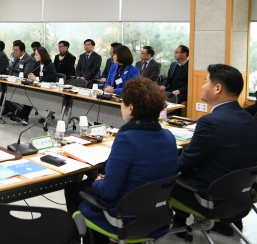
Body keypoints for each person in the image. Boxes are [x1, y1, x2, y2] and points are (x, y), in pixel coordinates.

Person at [65, 77, 178, 243]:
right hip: (155, 213)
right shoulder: (168, 136)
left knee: (73, 189)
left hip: (125, 217)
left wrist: (97, 182)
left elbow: (108, 192)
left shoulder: (127, 139)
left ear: (130, 107)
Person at [172, 64, 257, 236]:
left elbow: (184, 164)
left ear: (217, 88)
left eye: (205, 81)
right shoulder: (248, 118)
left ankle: (148, 226)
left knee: (158, 176)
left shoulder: (211, 122)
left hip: (210, 198)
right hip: (239, 195)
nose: (202, 86)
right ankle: (179, 223)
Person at [14, 47, 58, 123]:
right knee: (30, 96)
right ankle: (23, 117)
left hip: (48, 90)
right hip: (38, 88)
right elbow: (33, 73)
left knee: (32, 96)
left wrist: (37, 78)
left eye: (36, 55)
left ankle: (22, 116)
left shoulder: (50, 65)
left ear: (42, 55)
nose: (35, 56)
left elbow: (51, 77)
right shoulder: (37, 64)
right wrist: (30, 76)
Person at [8, 41, 36, 125]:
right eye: (14, 50)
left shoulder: (29, 59)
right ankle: (14, 110)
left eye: (16, 50)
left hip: (22, 83)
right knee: (4, 91)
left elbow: (25, 73)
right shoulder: (15, 57)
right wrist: (9, 77)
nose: (15, 52)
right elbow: (12, 69)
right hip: (12, 80)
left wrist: (14, 70)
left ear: (22, 50)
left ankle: (19, 112)